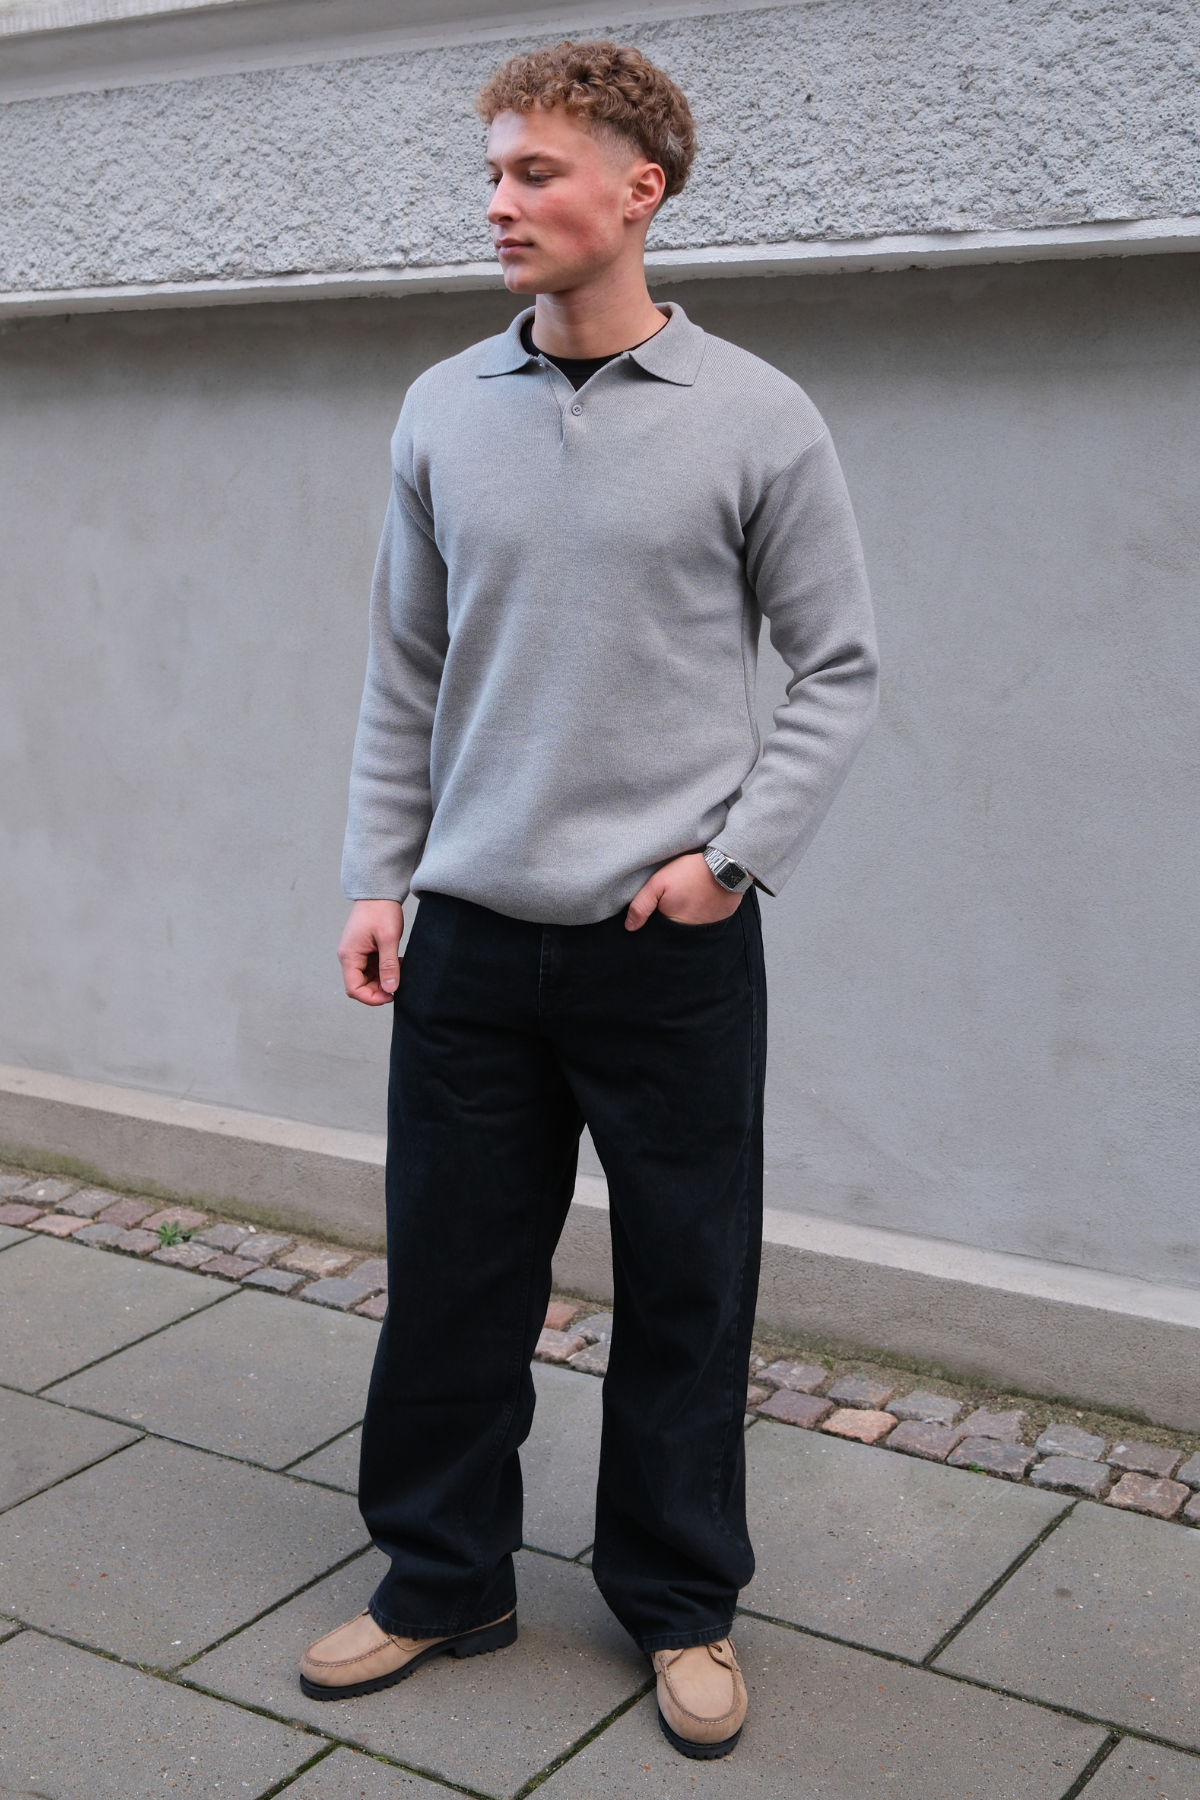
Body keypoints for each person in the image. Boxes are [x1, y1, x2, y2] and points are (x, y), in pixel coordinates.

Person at [300, 40, 878, 1760]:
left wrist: (731, 862)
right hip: (472, 941)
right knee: (451, 1278)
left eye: (535, 172)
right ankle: (440, 1577)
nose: (499, 202)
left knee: (688, 1286)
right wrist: (378, 875)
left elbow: (839, 668)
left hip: (666, 946)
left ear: (641, 191)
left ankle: (681, 1601)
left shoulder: (757, 417)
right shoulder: (441, 410)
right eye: (492, 170)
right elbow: (405, 670)